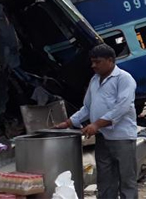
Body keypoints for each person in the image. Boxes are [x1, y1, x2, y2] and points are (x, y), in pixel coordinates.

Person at [55, 44, 138, 199]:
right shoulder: (94, 80)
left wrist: (96, 124)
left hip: (122, 138)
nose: (93, 66)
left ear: (110, 60)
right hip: (102, 137)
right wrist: (68, 123)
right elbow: (87, 107)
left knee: (127, 180)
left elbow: (122, 107)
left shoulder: (124, 79)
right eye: (92, 62)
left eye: (97, 62)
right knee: (105, 180)